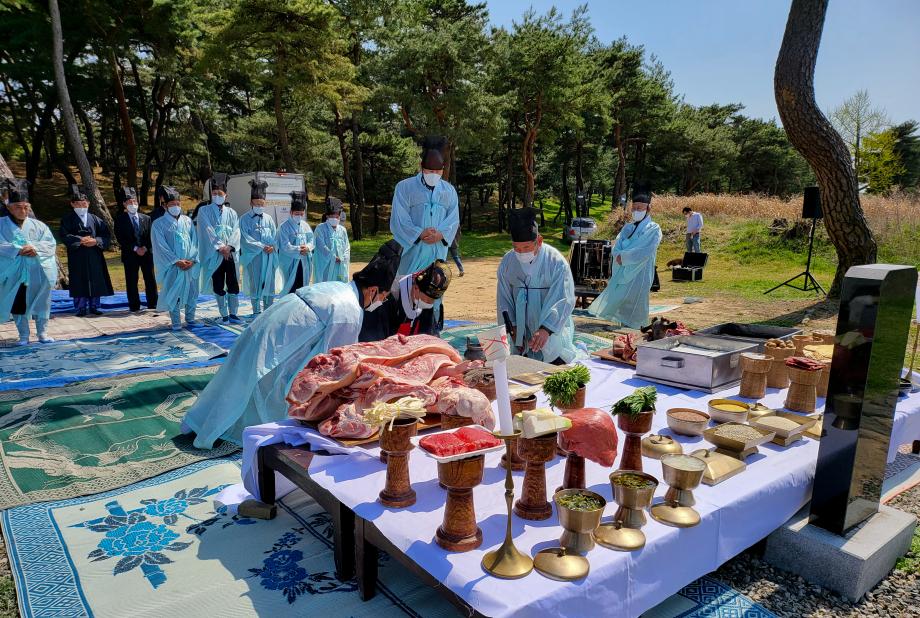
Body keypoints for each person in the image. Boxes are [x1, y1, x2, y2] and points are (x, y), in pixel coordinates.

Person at [181, 247, 398, 449]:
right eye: (383, 296)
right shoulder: (349, 311)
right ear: (373, 290)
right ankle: (237, 429)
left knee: (238, 374)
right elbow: (338, 362)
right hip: (285, 335)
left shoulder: (340, 287)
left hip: (276, 321)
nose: (381, 301)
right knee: (265, 380)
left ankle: (201, 421)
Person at [496, 207, 577, 364]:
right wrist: (512, 326)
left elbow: (564, 298)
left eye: (526, 247)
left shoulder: (556, 262)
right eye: (516, 248)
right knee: (519, 365)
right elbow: (504, 298)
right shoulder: (508, 262)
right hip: (521, 328)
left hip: (550, 330)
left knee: (554, 363)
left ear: (539, 241)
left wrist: (546, 329)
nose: (521, 253)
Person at [587, 183, 663, 328]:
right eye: (634, 208)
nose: (636, 211)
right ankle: (622, 322)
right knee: (621, 296)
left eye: (640, 208)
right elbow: (618, 243)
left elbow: (645, 250)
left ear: (648, 208)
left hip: (640, 270)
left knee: (637, 298)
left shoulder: (654, 228)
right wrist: (618, 255)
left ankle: (636, 325)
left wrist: (625, 257)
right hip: (623, 268)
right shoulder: (628, 227)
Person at [390, 136, 459, 284]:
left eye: (437, 171)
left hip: (437, 253)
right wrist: (419, 233)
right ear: (421, 166)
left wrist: (441, 234)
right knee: (408, 289)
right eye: (429, 171)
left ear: (443, 169)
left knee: (434, 289)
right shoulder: (404, 187)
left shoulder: (449, 191)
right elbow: (399, 220)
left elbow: (453, 219)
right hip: (411, 254)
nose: (433, 174)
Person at [0, 179, 57, 345]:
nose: (23, 210)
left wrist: (35, 248)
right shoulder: (1, 225)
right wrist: (16, 250)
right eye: (18, 207)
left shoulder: (39, 226)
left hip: (38, 272)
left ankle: (43, 333)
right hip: (15, 274)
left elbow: (50, 244)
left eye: (26, 207)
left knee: (42, 302)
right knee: (18, 303)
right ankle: (24, 335)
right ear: (9, 208)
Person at [60, 184, 114, 316]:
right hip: (77, 254)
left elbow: (106, 235)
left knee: (95, 278)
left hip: (94, 253)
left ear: (88, 203)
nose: (81, 206)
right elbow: (64, 235)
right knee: (79, 280)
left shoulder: (95, 219)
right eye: (78, 204)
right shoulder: (67, 219)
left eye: (84, 204)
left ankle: (94, 306)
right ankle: (81, 307)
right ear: (72, 204)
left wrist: (96, 241)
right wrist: (81, 240)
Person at [196, 172, 242, 324]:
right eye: (214, 193)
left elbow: (236, 231)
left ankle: (233, 314)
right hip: (215, 253)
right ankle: (224, 315)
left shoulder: (232, 212)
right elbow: (207, 229)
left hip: (230, 254)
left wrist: (229, 247)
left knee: (233, 282)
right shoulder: (204, 211)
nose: (217, 196)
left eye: (220, 193)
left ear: (225, 195)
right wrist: (220, 247)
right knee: (218, 282)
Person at [151, 186, 200, 330]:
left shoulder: (187, 221)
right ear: (165, 206)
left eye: (178, 204)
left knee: (192, 292)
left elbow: (195, 241)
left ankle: (190, 318)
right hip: (173, 265)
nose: (176, 207)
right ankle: (176, 322)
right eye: (172, 204)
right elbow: (160, 246)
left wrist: (192, 259)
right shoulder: (158, 224)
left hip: (190, 264)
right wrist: (176, 261)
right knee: (174, 293)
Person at [113, 187, 158, 313]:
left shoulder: (146, 218)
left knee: (150, 279)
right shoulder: (120, 220)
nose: (132, 204)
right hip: (130, 254)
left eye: (134, 202)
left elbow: (151, 236)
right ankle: (134, 305)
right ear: (124, 204)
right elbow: (120, 238)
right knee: (131, 280)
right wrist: (135, 248)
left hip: (146, 254)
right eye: (129, 202)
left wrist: (145, 247)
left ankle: (153, 303)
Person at [239, 179, 279, 316]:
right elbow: (245, 239)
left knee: (269, 282)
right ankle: (256, 311)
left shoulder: (269, 218)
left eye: (262, 204)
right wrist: (261, 246)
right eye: (256, 204)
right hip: (254, 257)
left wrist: (273, 246)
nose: (259, 206)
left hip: (269, 256)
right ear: (251, 203)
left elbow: (275, 235)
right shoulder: (244, 219)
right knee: (255, 282)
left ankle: (268, 311)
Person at [277, 191, 314, 293]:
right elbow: (284, 246)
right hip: (290, 261)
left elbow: (312, 240)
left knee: (303, 285)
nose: (299, 216)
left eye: (301, 214)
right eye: (296, 214)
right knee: (291, 285)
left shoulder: (305, 225)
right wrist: (299, 249)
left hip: (304, 261)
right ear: (291, 212)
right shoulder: (284, 226)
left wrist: (308, 247)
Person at [313, 197, 350, 283]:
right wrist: (333, 257)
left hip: (340, 264)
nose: (335, 219)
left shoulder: (342, 230)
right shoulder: (320, 228)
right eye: (332, 217)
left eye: (337, 217)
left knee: (339, 284)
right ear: (327, 216)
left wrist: (344, 257)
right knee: (325, 284)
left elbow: (347, 246)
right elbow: (321, 246)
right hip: (326, 265)